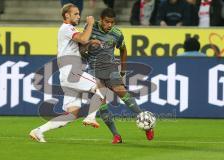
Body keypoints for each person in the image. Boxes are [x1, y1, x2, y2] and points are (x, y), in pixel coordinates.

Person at [29, 3, 108, 143]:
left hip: (67, 75)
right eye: (76, 13)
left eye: (78, 13)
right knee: (101, 86)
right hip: (72, 72)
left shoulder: (68, 30)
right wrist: (89, 24)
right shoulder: (67, 28)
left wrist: (89, 43)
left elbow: (81, 45)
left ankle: (38, 131)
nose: (79, 16)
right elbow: (83, 38)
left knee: (72, 114)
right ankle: (90, 117)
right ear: (67, 15)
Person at [81, 8, 155, 143]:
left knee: (122, 93)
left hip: (111, 69)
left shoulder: (117, 34)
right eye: (107, 22)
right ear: (101, 20)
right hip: (94, 72)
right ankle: (116, 135)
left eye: (112, 22)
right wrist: (86, 50)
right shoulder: (90, 28)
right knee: (101, 104)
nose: (109, 25)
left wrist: (123, 71)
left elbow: (123, 50)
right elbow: (81, 46)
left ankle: (147, 125)